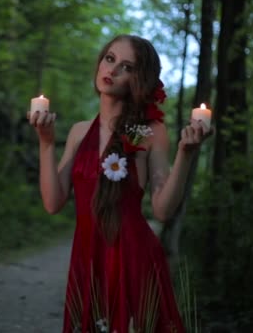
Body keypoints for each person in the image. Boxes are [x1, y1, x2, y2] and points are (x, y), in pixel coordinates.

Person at [27, 34, 212, 333]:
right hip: (87, 257)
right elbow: (52, 202)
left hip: (132, 257)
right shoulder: (79, 132)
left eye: (126, 67)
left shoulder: (145, 132)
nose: (111, 70)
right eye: (110, 59)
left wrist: (185, 155)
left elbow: (162, 210)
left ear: (138, 79)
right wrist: (46, 143)